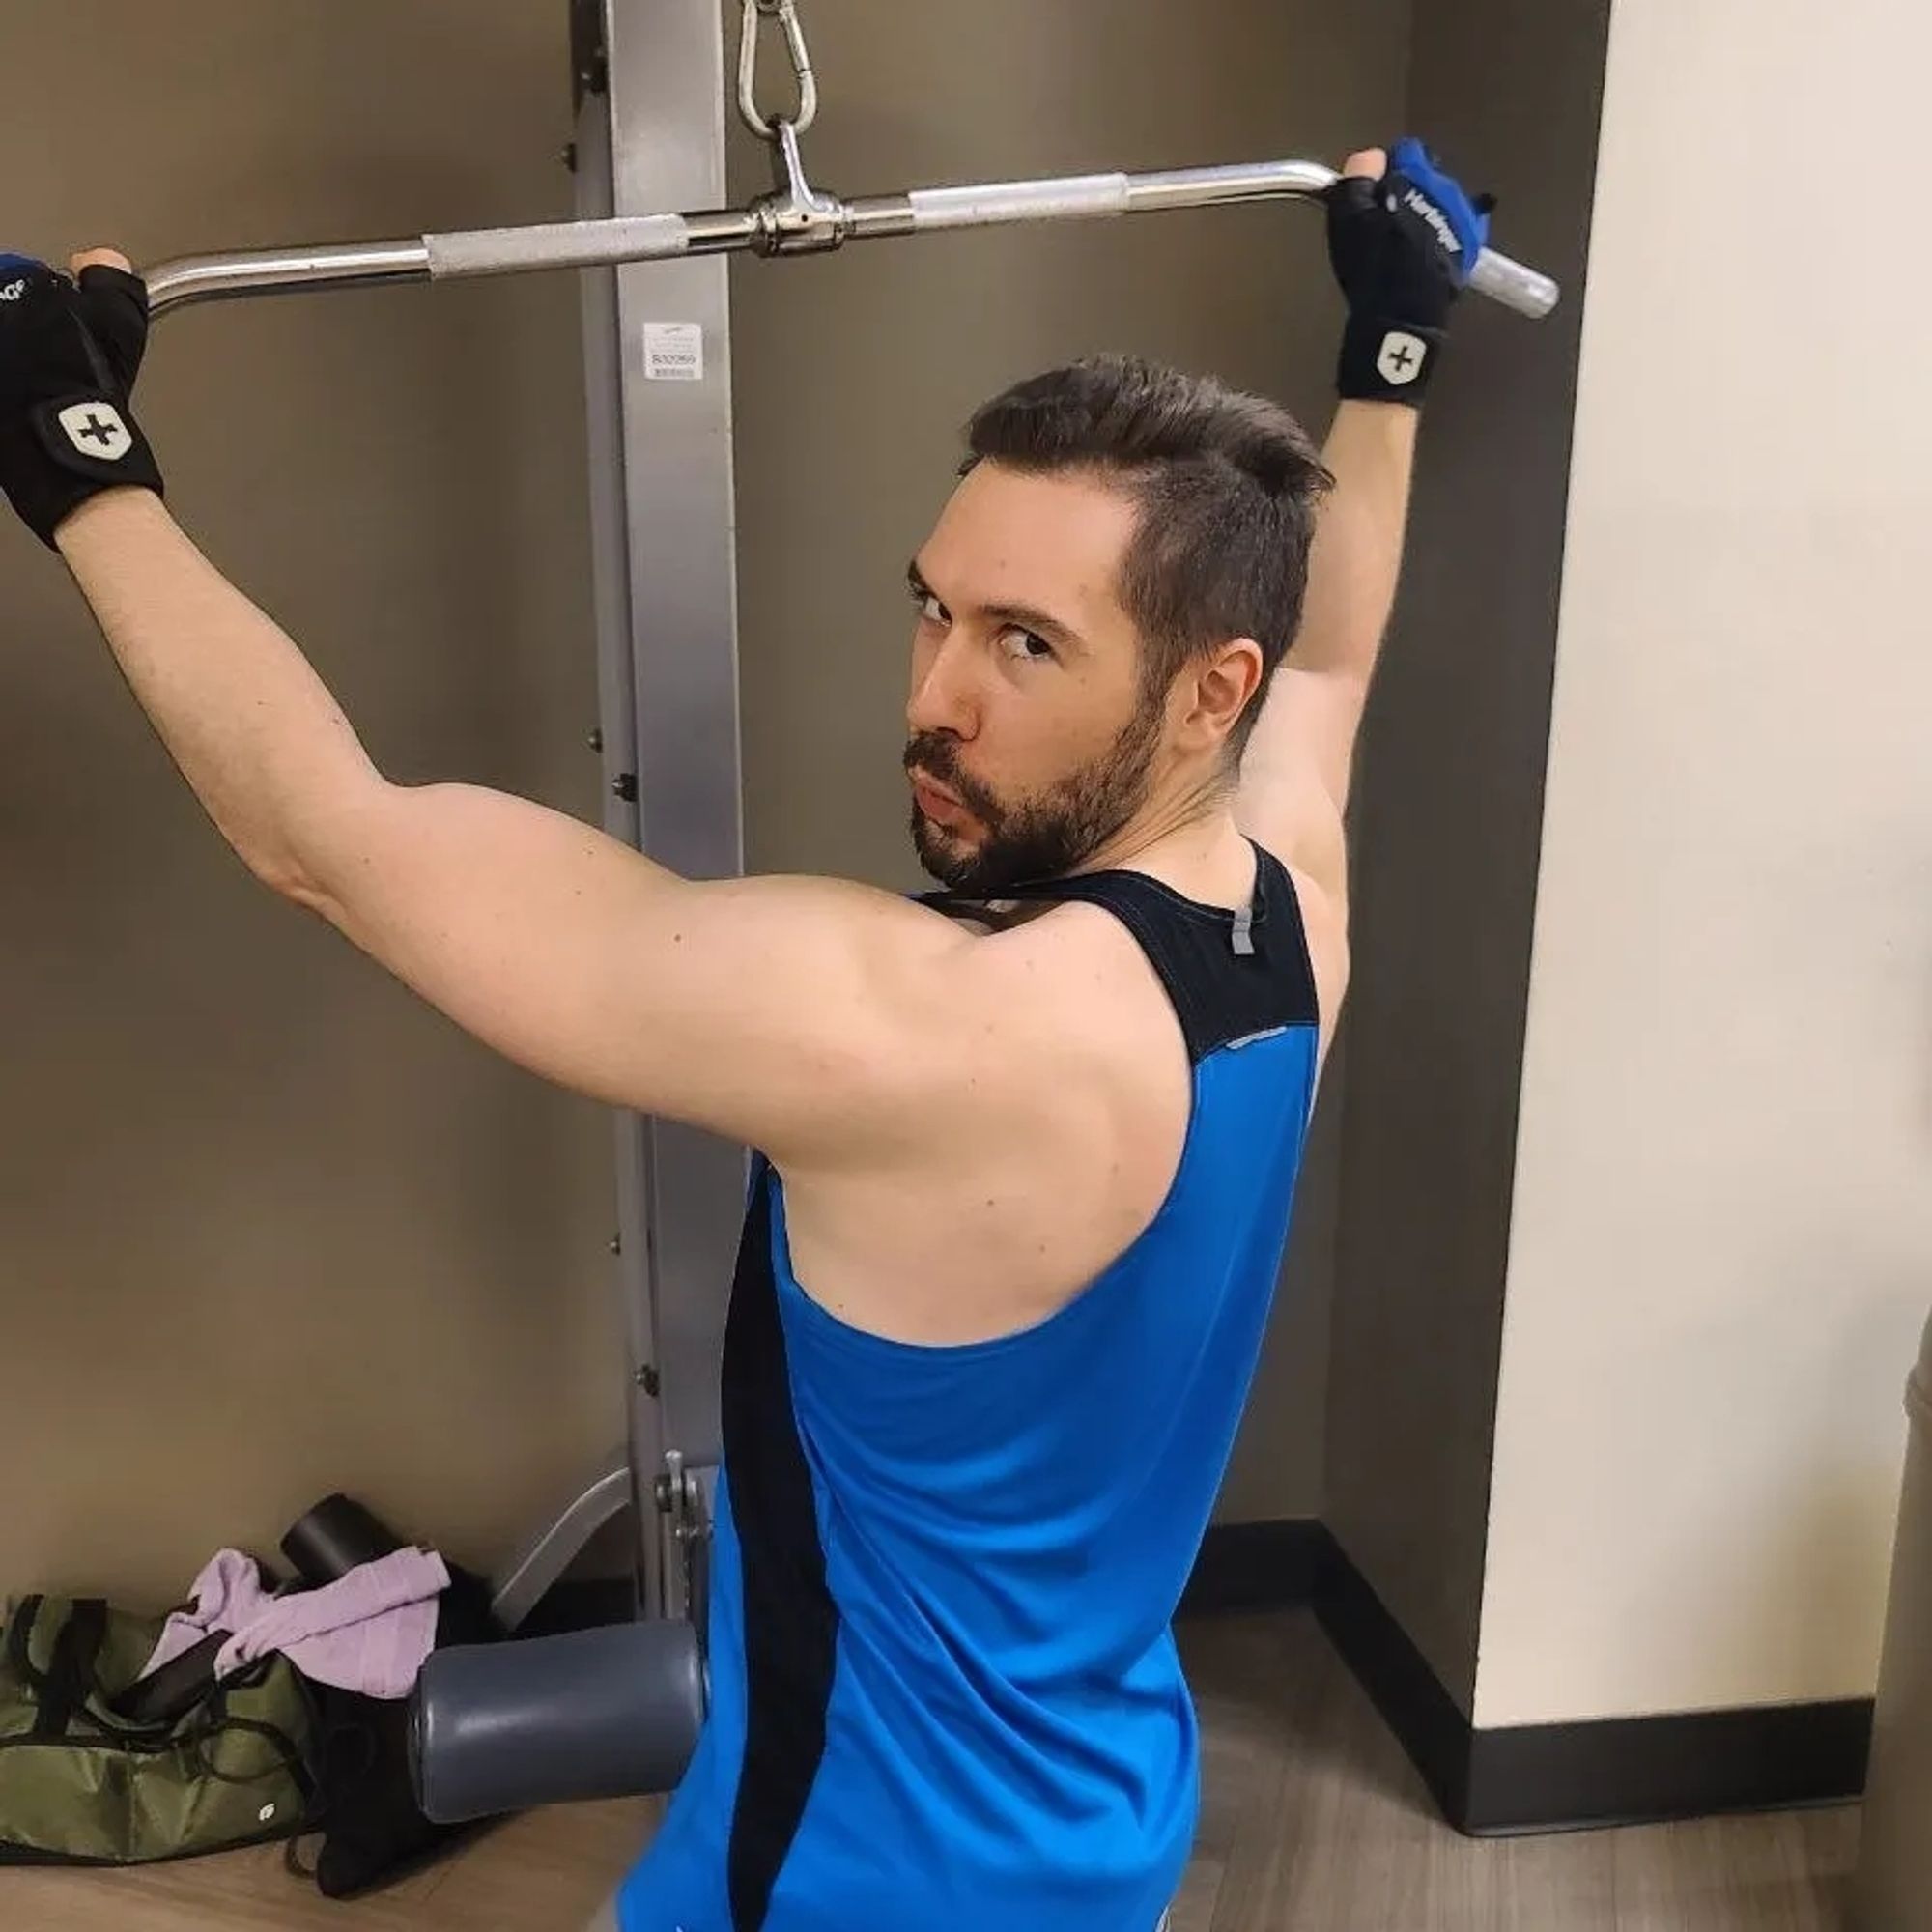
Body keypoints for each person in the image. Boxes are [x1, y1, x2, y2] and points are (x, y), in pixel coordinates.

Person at [0, 135, 1489, 1932]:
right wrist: (1392, 345)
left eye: (1025, 645)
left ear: (1199, 689)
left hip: (855, 1877)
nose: (933, 698)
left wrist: (78, 457)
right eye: (932, 607)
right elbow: (1328, 668)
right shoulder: (1289, 906)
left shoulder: (929, 1031)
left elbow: (330, 841)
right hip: (1096, 1825)